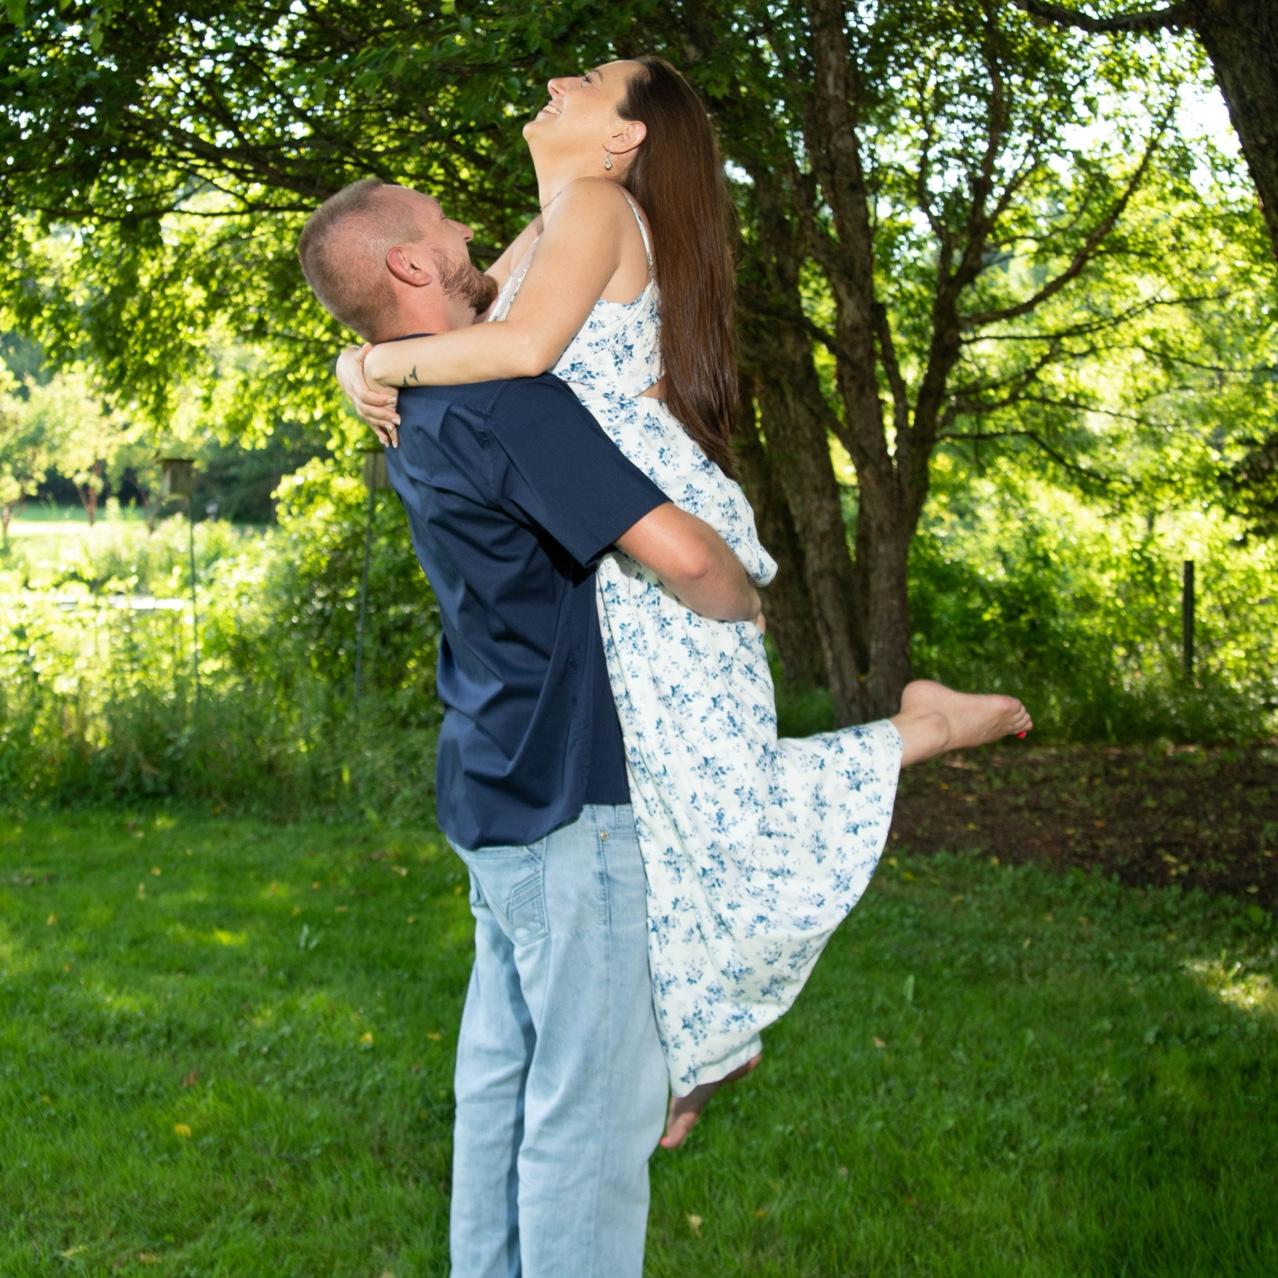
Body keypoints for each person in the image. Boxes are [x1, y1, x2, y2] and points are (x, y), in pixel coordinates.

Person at [338, 56, 1032, 1149]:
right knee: (669, 803)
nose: (560, 76)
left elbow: (519, 351)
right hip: (609, 541)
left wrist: (376, 362)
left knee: (719, 791)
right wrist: (363, 356)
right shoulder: (550, 225)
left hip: (652, 531)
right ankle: (706, 1041)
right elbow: (469, 329)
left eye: (591, 79)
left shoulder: (597, 204)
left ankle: (922, 738)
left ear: (624, 140)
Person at [298, 177, 764, 1276]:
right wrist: (747, 603)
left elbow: (544, 236)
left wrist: (362, 357)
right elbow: (686, 558)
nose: (470, 232)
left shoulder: (414, 402)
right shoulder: (509, 404)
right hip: (574, 800)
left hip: (493, 782)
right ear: (413, 266)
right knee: (587, 1124)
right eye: (443, 225)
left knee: (502, 1088)